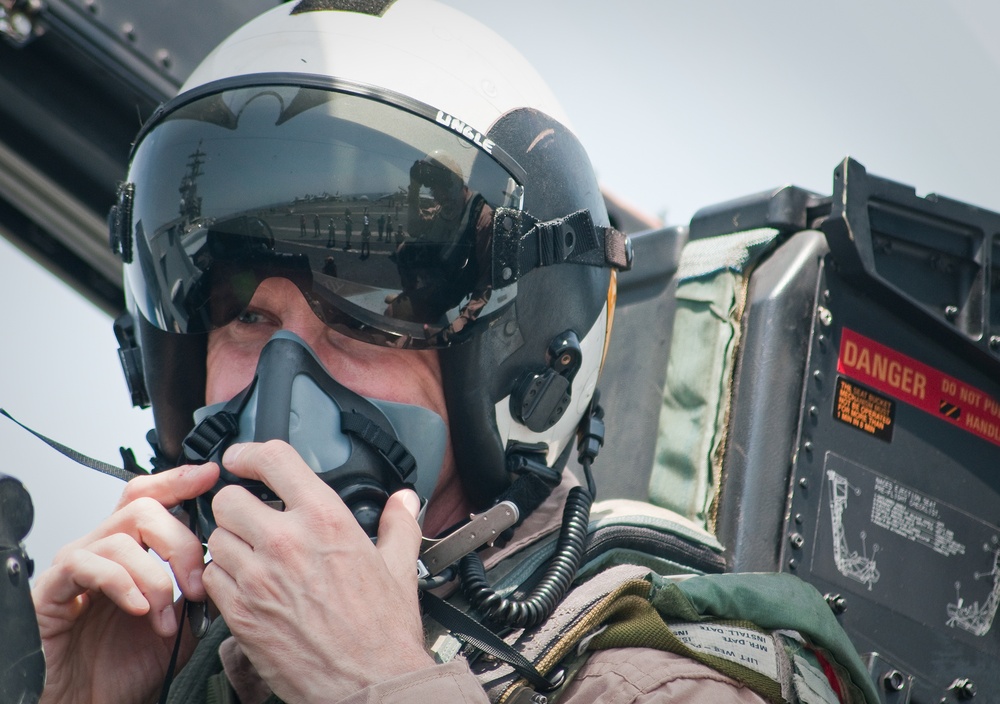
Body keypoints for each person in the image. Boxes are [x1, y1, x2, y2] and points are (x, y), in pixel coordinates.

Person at [32, 3, 872, 704]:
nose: (281, 388)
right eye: (244, 320)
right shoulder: (187, 662)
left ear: (527, 367)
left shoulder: (650, 679)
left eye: (364, 320)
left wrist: (377, 680)